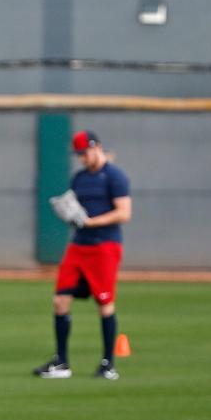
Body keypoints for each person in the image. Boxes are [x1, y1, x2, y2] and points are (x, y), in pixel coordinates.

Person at [33, 129, 132, 380]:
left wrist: (92, 222)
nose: (82, 158)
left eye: (85, 152)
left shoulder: (115, 177)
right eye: (79, 154)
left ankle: (108, 364)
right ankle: (62, 362)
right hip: (79, 245)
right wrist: (68, 214)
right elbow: (76, 210)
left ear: (96, 146)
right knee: (60, 300)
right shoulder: (79, 178)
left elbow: (124, 213)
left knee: (105, 303)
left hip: (105, 245)